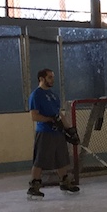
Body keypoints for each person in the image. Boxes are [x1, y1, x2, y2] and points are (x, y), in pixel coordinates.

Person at [27, 69, 79, 197]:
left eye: (52, 77)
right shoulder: (36, 95)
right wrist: (50, 120)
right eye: (49, 77)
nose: (52, 80)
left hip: (58, 133)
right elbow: (34, 116)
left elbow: (59, 114)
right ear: (41, 79)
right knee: (40, 160)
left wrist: (70, 129)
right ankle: (34, 186)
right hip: (45, 132)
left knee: (61, 158)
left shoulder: (54, 95)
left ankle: (65, 182)